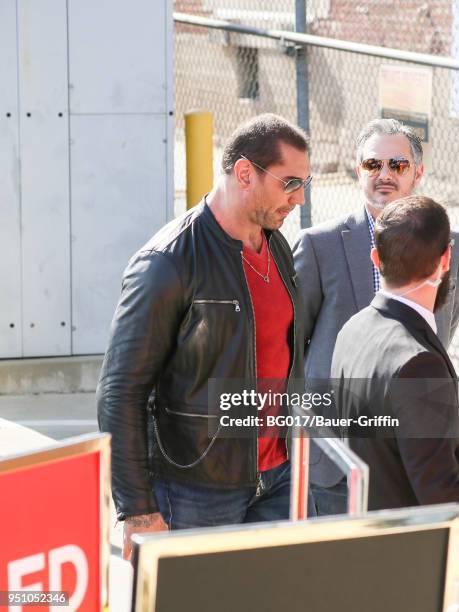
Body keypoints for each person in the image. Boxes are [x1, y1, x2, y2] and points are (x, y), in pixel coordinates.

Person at [97, 113, 311, 559]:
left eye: (303, 183)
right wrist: (136, 508)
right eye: (289, 182)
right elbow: (120, 392)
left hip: (277, 477)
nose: (299, 197)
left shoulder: (277, 246)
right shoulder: (167, 263)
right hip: (195, 487)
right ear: (246, 173)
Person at [292, 118, 459, 515]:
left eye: (397, 165)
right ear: (358, 171)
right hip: (337, 465)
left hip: (417, 455)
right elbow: (291, 349)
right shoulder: (319, 246)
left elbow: (440, 329)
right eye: (373, 165)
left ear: (417, 173)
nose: (384, 175)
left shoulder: (449, 246)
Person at [330, 195, 459, 510]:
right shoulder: (419, 364)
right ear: (446, 260)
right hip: (413, 551)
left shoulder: (352, 329)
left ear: (375, 258)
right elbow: (441, 493)